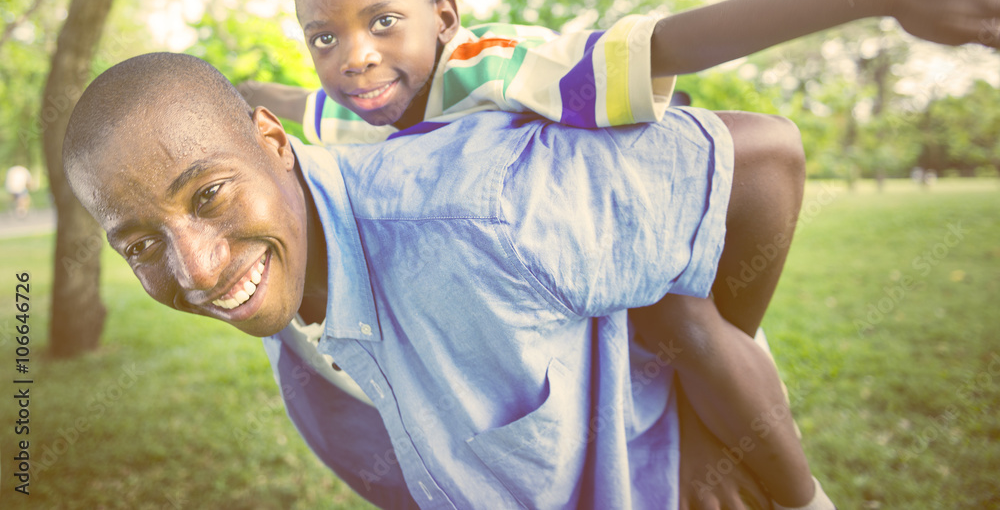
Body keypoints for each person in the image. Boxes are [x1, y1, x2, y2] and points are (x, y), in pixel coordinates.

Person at [241, 0, 826, 509]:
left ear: (444, 19)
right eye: (324, 38)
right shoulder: (365, 107)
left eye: (384, 22)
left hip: (635, 239)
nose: (355, 56)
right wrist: (231, 94)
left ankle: (791, 491)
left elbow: (656, 49)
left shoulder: (494, 65)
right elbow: (299, 103)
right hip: (560, 294)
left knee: (686, 323)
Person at [63, 52, 790, 509]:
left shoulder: (481, 209)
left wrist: (710, 409)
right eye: (140, 243)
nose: (197, 267)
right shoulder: (286, 284)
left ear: (273, 142)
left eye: (208, 195)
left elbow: (764, 160)